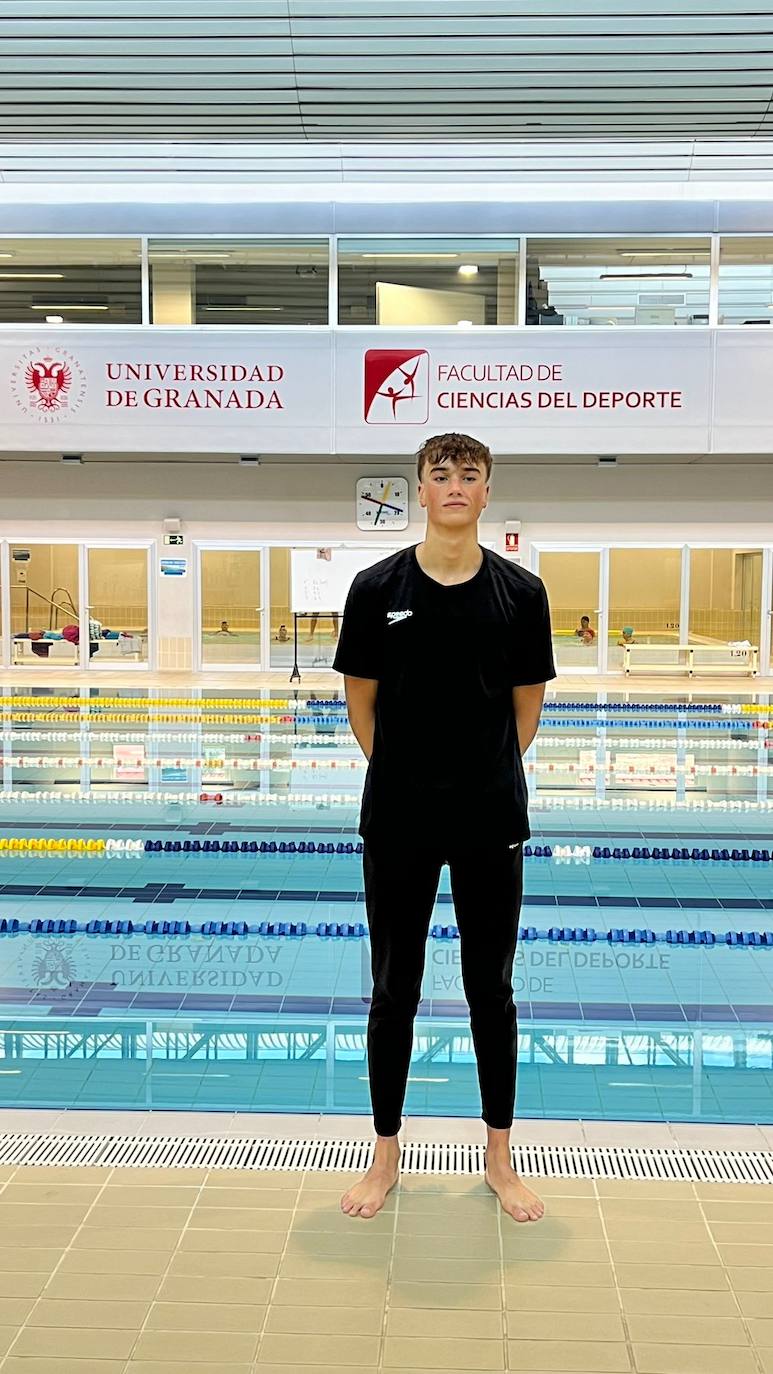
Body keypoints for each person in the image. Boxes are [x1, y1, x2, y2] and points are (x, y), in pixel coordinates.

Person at [332, 431, 556, 1224]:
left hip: (489, 815)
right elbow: (359, 700)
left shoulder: (520, 593)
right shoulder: (375, 587)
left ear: (486, 492)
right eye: (440, 473)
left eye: (468, 474)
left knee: (490, 989)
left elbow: (526, 707)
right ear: (419, 491)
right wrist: (405, 775)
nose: (454, 485)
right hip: (398, 815)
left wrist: (478, 777)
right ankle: (383, 1155)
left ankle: (499, 1158)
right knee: (392, 989)